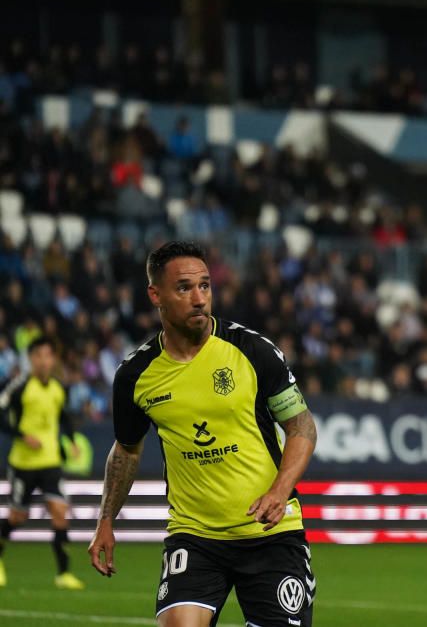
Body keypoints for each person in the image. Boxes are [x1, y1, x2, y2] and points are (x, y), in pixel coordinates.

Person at [88, 241, 318, 627]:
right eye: (184, 288)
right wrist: (106, 520)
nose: (199, 298)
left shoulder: (252, 351)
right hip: (195, 538)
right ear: (155, 294)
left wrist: (279, 491)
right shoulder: (135, 376)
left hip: (271, 534)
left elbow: (301, 426)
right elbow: (126, 451)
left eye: (205, 286)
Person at [0, 336, 85, 590]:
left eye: (49, 356)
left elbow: (63, 418)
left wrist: (71, 441)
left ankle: (63, 573)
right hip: (23, 463)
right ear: (31, 359)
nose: (45, 361)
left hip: (50, 461)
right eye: (39, 356)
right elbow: (1, 414)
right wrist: (22, 435)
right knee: (17, 517)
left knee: (60, 513)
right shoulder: (20, 386)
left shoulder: (58, 388)